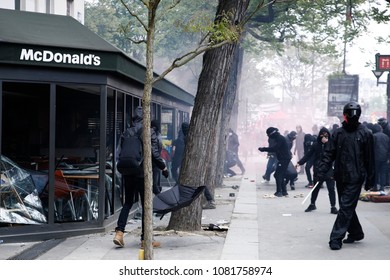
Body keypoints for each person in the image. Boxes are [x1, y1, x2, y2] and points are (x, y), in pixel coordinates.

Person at [317, 101, 375, 250]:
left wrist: (370, 178)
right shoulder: (338, 133)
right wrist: (322, 169)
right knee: (346, 206)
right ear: (344, 115)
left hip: (356, 176)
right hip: (340, 175)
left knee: (346, 206)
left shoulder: (366, 133)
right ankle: (356, 232)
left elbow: (370, 158)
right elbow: (329, 153)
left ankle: (336, 237)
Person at [113, 107, 169, 248]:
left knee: (128, 203)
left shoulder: (126, 132)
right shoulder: (149, 132)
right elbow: (155, 154)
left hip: (127, 173)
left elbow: (119, 153)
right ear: (147, 117)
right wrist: (163, 167)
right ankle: (145, 240)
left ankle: (119, 233)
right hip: (142, 173)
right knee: (146, 206)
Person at [296, 127, 338, 214]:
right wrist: (299, 163)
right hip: (318, 170)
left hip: (329, 169)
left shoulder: (332, 144)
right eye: (322, 136)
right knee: (315, 188)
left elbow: (336, 156)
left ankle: (333, 207)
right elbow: (308, 155)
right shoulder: (316, 145)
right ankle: (312, 204)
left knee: (331, 189)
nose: (324, 137)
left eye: (326, 136)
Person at [258, 127, 292, 197]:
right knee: (280, 175)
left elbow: (275, 148)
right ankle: (284, 192)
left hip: (284, 158)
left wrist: (264, 149)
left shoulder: (279, 138)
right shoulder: (278, 138)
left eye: (268, 135)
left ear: (272, 133)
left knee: (277, 174)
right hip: (284, 158)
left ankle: (279, 192)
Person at [371, 124, 390, 191]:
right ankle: (382, 187)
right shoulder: (386, 137)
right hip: (384, 157)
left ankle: (375, 186)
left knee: (375, 172)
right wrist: (388, 158)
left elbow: (371, 148)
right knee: (383, 172)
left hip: (376, 157)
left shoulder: (373, 136)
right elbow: (389, 148)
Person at [151, 120, 163, 195]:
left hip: (154, 161)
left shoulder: (154, 135)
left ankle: (162, 201)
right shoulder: (159, 135)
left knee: (155, 186)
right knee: (155, 184)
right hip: (156, 161)